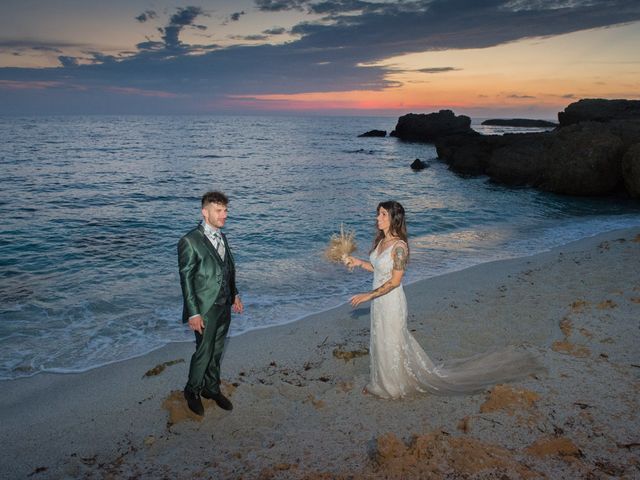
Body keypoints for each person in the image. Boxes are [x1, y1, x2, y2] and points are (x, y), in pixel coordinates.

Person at [344, 201, 541, 399]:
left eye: (383, 214)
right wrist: (359, 262)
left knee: (392, 340)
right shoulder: (381, 242)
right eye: (378, 214)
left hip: (391, 301)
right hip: (379, 300)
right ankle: (382, 382)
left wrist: (367, 296)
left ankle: (393, 387)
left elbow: (395, 281)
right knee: (381, 338)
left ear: (394, 219)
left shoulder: (400, 247)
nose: (378, 218)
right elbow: (379, 269)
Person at [178, 191, 243, 416]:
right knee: (204, 351)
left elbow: (228, 267)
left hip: (224, 305)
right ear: (205, 212)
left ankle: (211, 388)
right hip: (204, 309)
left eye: (225, 210)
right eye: (219, 210)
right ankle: (192, 390)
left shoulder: (222, 236)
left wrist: (235, 294)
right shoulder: (189, 241)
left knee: (217, 350)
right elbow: (186, 280)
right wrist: (193, 313)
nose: (224, 215)